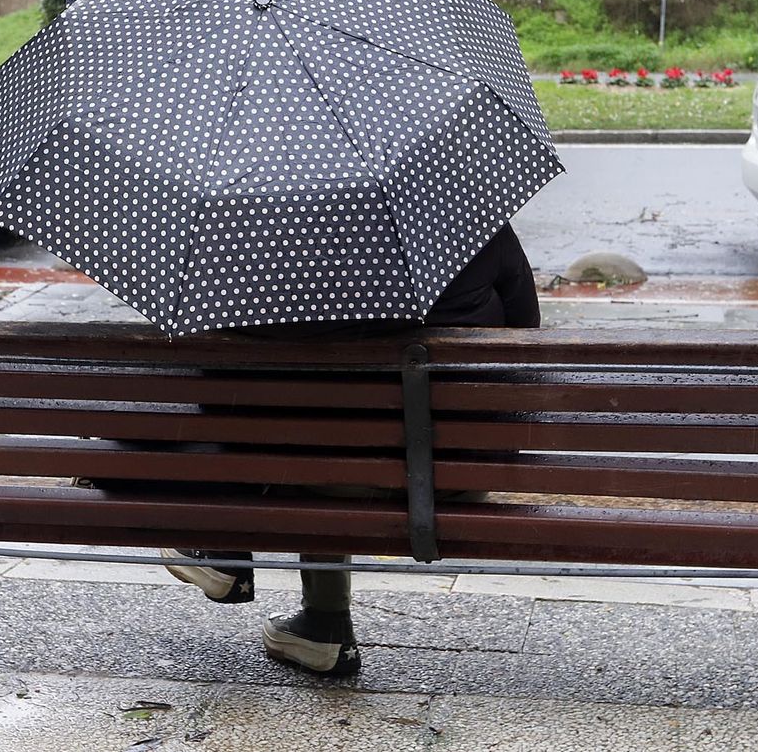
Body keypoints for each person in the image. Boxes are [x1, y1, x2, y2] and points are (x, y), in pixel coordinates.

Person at [161, 222, 540, 676]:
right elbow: (525, 338)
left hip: (323, 477)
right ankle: (301, 610)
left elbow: (221, 380)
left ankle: (230, 551)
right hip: (458, 476)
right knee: (329, 440)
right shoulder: (465, 218)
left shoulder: (258, 234)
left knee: (309, 437)